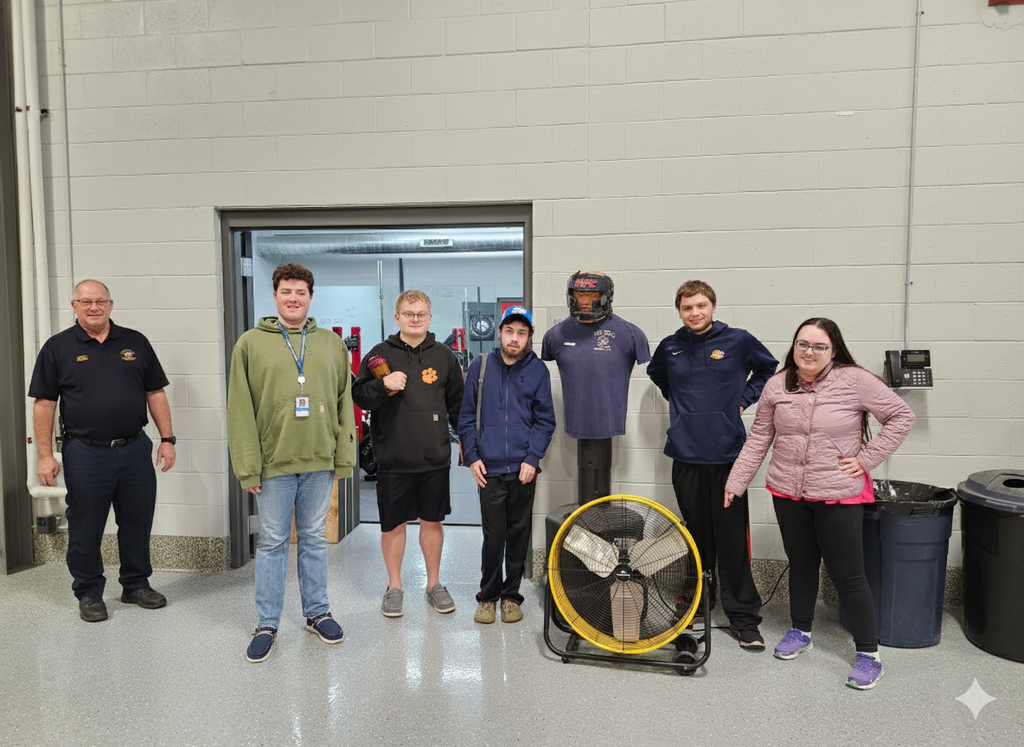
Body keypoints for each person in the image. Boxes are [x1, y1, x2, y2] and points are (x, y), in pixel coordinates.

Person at [724, 318, 915, 690]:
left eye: (818, 346)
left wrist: (865, 459)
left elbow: (901, 416)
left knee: (848, 574)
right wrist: (737, 481)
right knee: (801, 565)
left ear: (833, 350)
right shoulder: (778, 384)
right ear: (793, 347)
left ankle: (868, 654)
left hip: (838, 493)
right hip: (787, 492)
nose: (808, 352)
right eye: (802, 344)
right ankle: (800, 630)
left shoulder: (854, 380)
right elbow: (760, 436)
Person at [227, 263, 356, 663]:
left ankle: (317, 613)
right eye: (286, 291)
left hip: (318, 460)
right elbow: (240, 410)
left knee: (314, 540)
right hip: (273, 464)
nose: (293, 298)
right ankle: (267, 622)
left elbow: (343, 404)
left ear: (311, 297)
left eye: (300, 292)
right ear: (275, 295)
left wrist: (344, 457)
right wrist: (247, 466)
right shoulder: (250, 344)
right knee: (271, 543)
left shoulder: (331, 344)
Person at [29, 279, 177, 623]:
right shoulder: (58, 347)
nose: (93, 307)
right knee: (86, 525)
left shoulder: (135, 342)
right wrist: (46, 456)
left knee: (137, 521)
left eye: (100, 301)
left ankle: (136, 584)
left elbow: (155, 392)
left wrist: (167, 439)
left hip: (134, 448)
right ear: (74, 305)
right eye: (86, 301)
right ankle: (89, 591)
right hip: (85, 452)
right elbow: (44, 404)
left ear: (110, 304)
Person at [647, 280, 778, 651]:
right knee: (695, 537)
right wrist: (684, 411)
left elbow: (769, 369)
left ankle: (743, 617)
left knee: (732, 539)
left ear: (713, 307)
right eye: (687, 307)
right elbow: (658, 376)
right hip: (685, 456)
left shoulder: (738, 341)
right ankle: (696, 602)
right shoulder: (669, 348)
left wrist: (743, 399)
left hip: (727, 458)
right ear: (679, 311)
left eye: (701, 305)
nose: (695, 313)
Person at [353, 290, 465, 619]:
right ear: (397, 317)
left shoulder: (444, 357)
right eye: (408, 313)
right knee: (393, 526)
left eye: (421, 314)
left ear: (430, 318)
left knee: (433, 523)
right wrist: (383, 385)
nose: (415, 319)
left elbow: (458, 407)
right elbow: (360, 396)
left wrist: (468, 447)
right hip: (393, 459)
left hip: (434, 459)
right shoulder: (378, 354)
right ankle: (394, 586)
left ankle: (433, 584)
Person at [457, 306, 556, 625]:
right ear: (499, 332)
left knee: (518, 533)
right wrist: (472, 457)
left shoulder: (538, 370)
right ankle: (488, 596)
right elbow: (466, 417)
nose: (515, 338)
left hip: (524, 470)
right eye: (510, 331)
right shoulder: (480, 366)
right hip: (489, 470)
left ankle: (511, 596)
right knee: (493, 535)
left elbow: (545, 420)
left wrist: (532, 458)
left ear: (529, 337)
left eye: (522, 333)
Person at [541, 271, 650, 505]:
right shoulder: (554, 336)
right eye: (579, 294)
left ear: (605, 297)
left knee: (600, 499)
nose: (585, 301)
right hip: (575, 421)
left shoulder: (631, 334)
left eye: (591, 295)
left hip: (609, 421)